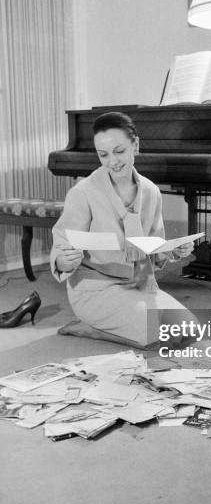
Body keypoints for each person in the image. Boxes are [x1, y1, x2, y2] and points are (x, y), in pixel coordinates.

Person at [51, 111, 195, 347]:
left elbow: (154, 248)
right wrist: (64, 260)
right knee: (155, 332)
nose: (112, 162)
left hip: (139, 284)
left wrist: (173, 251)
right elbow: (61, 247)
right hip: (94, 289)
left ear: (135, 145)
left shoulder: (151, 191)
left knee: (190, 329)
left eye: (119, 151)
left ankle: (128, 322)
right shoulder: (83, 192)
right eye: (103, 155)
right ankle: (90, 328)